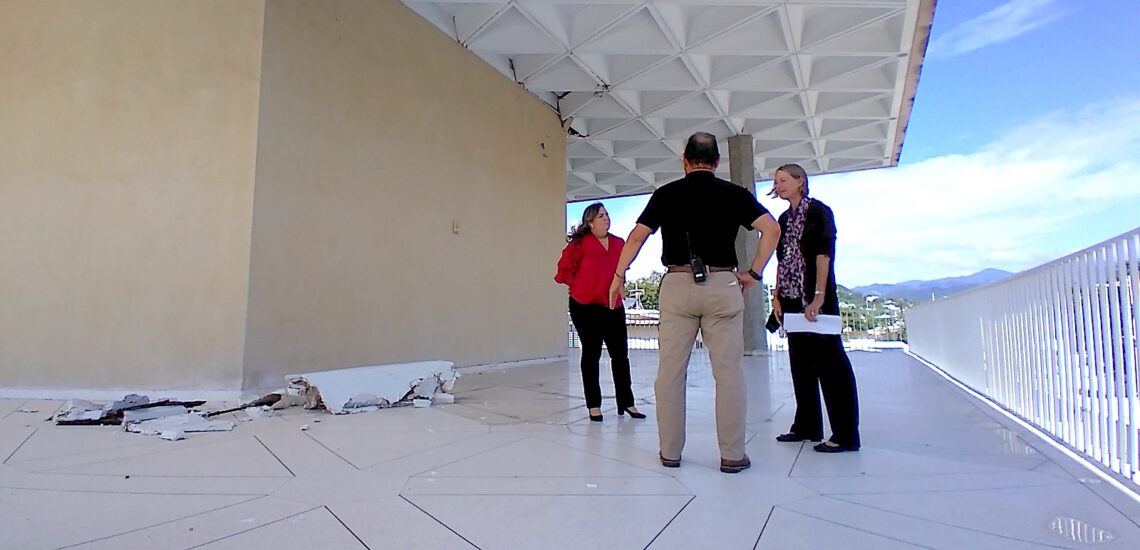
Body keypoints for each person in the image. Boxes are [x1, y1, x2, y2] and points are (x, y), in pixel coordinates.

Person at [608, 132, 780, 473]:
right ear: (717, 162)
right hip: (723, 283)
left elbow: (637, 236)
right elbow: (771, 230)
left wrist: (619, 274)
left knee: (670, 373)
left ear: (684, 159)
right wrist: (754, 273)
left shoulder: (666, 194)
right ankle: (732, 455)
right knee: (729, 374)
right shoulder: (735, 194)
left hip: (677, 284)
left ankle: (670, 452)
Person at [769, 163, 861, 453]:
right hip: (792, 298)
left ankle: (845, 434)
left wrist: (819, 295)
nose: (779, 184)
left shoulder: (819, 212)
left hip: (816, 296)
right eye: (776, 180)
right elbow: (782, 260)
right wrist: (777, 296)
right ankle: (807, 425)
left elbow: (824, 254)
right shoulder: (783, 219)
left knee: (831, 364)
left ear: (800, 181)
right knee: (801, 363)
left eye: (784, 179)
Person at [556, 203, 646, 422]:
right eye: (601, 216)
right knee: (591, 354)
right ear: (590, 222)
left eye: (607, 215)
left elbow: (621, 271)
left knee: (620, 355)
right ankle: (593, 405)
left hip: (612, 304)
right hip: (584, 306)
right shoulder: (580, 244)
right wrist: (579, 287)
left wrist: (621, 284)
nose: (606, 218)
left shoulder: (618, 244)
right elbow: (563, 270)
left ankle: (627, 403)